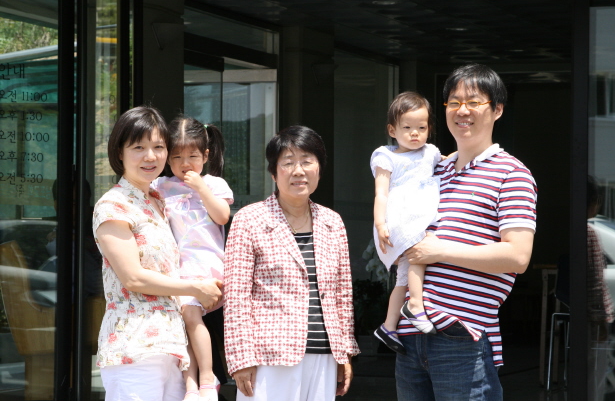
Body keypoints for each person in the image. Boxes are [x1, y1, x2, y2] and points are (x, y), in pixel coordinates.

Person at [397, 64, 538, 400]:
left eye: (474, 102)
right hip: (410, 333)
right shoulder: (434, 169)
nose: (462, 111)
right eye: (454, 102)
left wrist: (439, 251)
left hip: (461, 334)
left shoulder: (512, 174)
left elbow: (518, 256)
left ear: (497, 109)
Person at [92, 106, 223, 401]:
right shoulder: (113, 205)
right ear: (120, 152)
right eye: (138, 147)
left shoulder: (159, 200)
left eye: (158, 147)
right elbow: (133, 278)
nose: (150, 156)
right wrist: (195, 288)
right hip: (134, 347)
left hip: (173, 346)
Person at [224, 125, 360, 401]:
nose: (298, 171)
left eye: (307, 161)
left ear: (319, 169)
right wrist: (241, 358)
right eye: (288, 163)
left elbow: (342, 295)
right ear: (274, 173)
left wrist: (344, 352)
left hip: (324, 356)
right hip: (269, 357)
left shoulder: (332, 222)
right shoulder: (250, 220)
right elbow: (236, 296)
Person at [152, 117, 233, 401]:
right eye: (177, 157)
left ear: (206, 156)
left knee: (189, 315)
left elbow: (222, 217)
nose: (185, 164)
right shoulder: (160, 186)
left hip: (207, 266)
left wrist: (201, 188)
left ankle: (207, 378)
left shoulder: (214, 184)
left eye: (193, 156)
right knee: (184, 322)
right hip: (178, 268)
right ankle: (191, 384)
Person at [371, 92, 440, 355]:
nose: (415, 133)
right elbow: (381, 194)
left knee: (402, 278)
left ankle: (389, 326)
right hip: (400, 218)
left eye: (421, 128)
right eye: (407, 128)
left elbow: (450, 162)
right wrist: (380, 224)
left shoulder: (430, 153)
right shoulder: (386, 157)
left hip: (419, 217)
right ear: (392, 130)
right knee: (419, 254)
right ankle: (416, 305)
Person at [586, 175, 615, 400]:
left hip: (581, 314)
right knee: (596, 374)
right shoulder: (589, 233)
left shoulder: (575, 231)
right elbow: (596, 281)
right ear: (594, 201)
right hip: (593, 318)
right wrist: (600, 319)